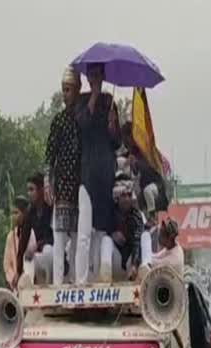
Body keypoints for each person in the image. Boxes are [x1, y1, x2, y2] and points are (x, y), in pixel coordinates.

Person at [73, 62, 121, 285]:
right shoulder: (82, 101)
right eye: (91, 75)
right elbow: (82, 123)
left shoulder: (110, 102)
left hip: (105, 172)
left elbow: (116, 142)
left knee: (101, 231)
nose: (95, 78)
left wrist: (112, 127)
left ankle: (96, 276)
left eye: (98, 74)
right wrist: (92, 94)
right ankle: (81, 279)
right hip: (87, 173)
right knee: (84, 232)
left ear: (103, 75)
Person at [45, 66, 82, 286]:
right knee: (59, 238)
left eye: (69, 89)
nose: (65, 94)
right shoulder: (58, 121)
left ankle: (77, 280)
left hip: (81, 185)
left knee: (79, 238)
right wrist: (48, 185)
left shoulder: (84, 119)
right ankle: (59, 283)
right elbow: (49, 155)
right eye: (64, 90)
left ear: (78, 90)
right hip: (62, 187)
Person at [3, 196, 29, 289]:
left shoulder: (32, 233)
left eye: (16, 213)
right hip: (15, 285)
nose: (13, 216)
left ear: (25, 214)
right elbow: (7, 264)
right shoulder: (11, 236)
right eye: (12, 213)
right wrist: (12, 278)